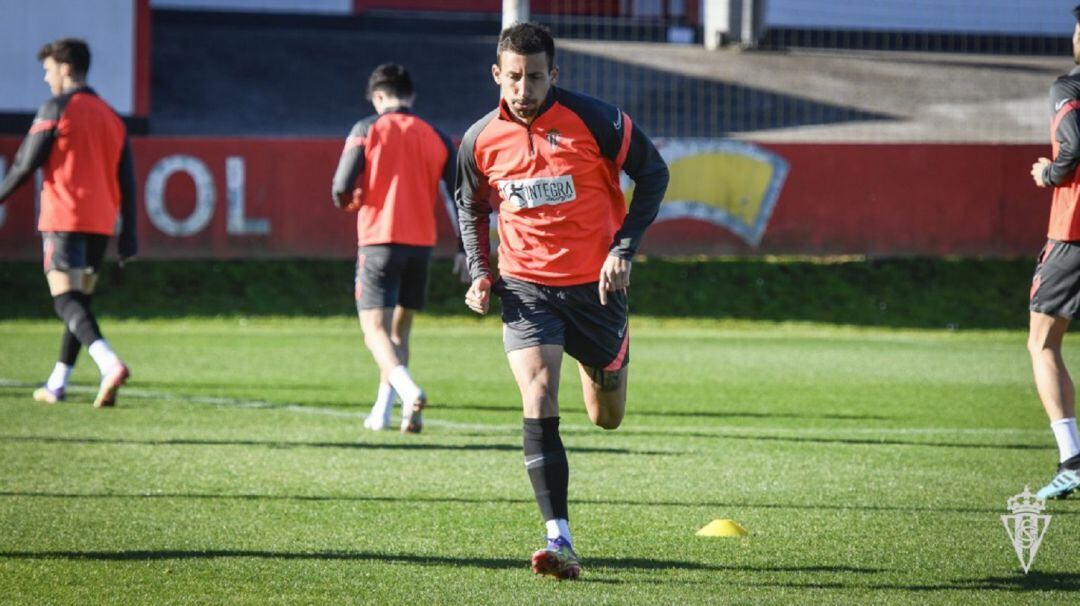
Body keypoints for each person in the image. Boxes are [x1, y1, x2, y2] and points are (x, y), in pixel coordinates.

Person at [455, 23, 668, 579]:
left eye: (536, 77)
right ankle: (559, 539)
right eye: (514, 78)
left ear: (555, 75)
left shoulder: (598, 121)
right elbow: (471, 206)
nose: (524, 89)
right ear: (497, 75)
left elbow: (654, 173)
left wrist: (623, 249)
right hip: (525, 287)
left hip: (597, 288)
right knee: (540, 390)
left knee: (607, 417)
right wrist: (481, 271)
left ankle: (606, 358)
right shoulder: (479, 139)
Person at [331, 63, 468, 434]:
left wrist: (349, 201)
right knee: (400, 332)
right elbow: (459, 196)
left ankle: (407, 391)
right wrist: (463, 248)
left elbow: (341, 185)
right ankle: (386, 410)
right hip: (420, 245)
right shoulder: (436, 136)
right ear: (411, 97)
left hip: (378, 241)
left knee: (373, 330)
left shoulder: (366, 128)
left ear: (378, 97)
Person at [0, 38, 136, 408]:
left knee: (65, 302)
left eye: (48, 71)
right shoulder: (112, 117)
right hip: (101, 223)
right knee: (79, 304)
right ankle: (57, 383)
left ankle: (109, 364)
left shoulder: (55, 108)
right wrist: (130, 234)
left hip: (64, 218)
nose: (46, 79)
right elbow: (127, 180)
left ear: (65, 67)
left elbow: (26, 164)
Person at [1028, 5, 1080, 500]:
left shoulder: (1070, 88)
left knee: (1043, 342)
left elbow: (1073, 146)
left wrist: (1050, 172)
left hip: (1074, 234)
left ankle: (1073, 459)